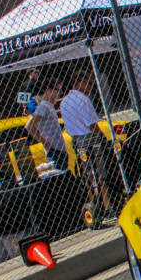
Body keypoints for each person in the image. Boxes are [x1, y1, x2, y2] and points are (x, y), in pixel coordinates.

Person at [61, 70, 112, 213]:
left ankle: (93, 204)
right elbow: (91, 124)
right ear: (80, 82)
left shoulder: (64, 102)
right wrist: (102, 136)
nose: (90, 86)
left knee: (88, 175)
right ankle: (107, 205)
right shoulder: (83, 99)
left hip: (77, 141)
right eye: (88, 83)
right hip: (89, 138)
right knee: (100, 174)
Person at [25, 76, 68, 173]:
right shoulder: (43, 106)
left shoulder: (49, 105)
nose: (60, 93)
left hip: (59, 149)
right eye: (58, 90)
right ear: (49, 90)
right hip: (55, 151)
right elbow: (29, 125)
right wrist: (46, 144)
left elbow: (35, 125)